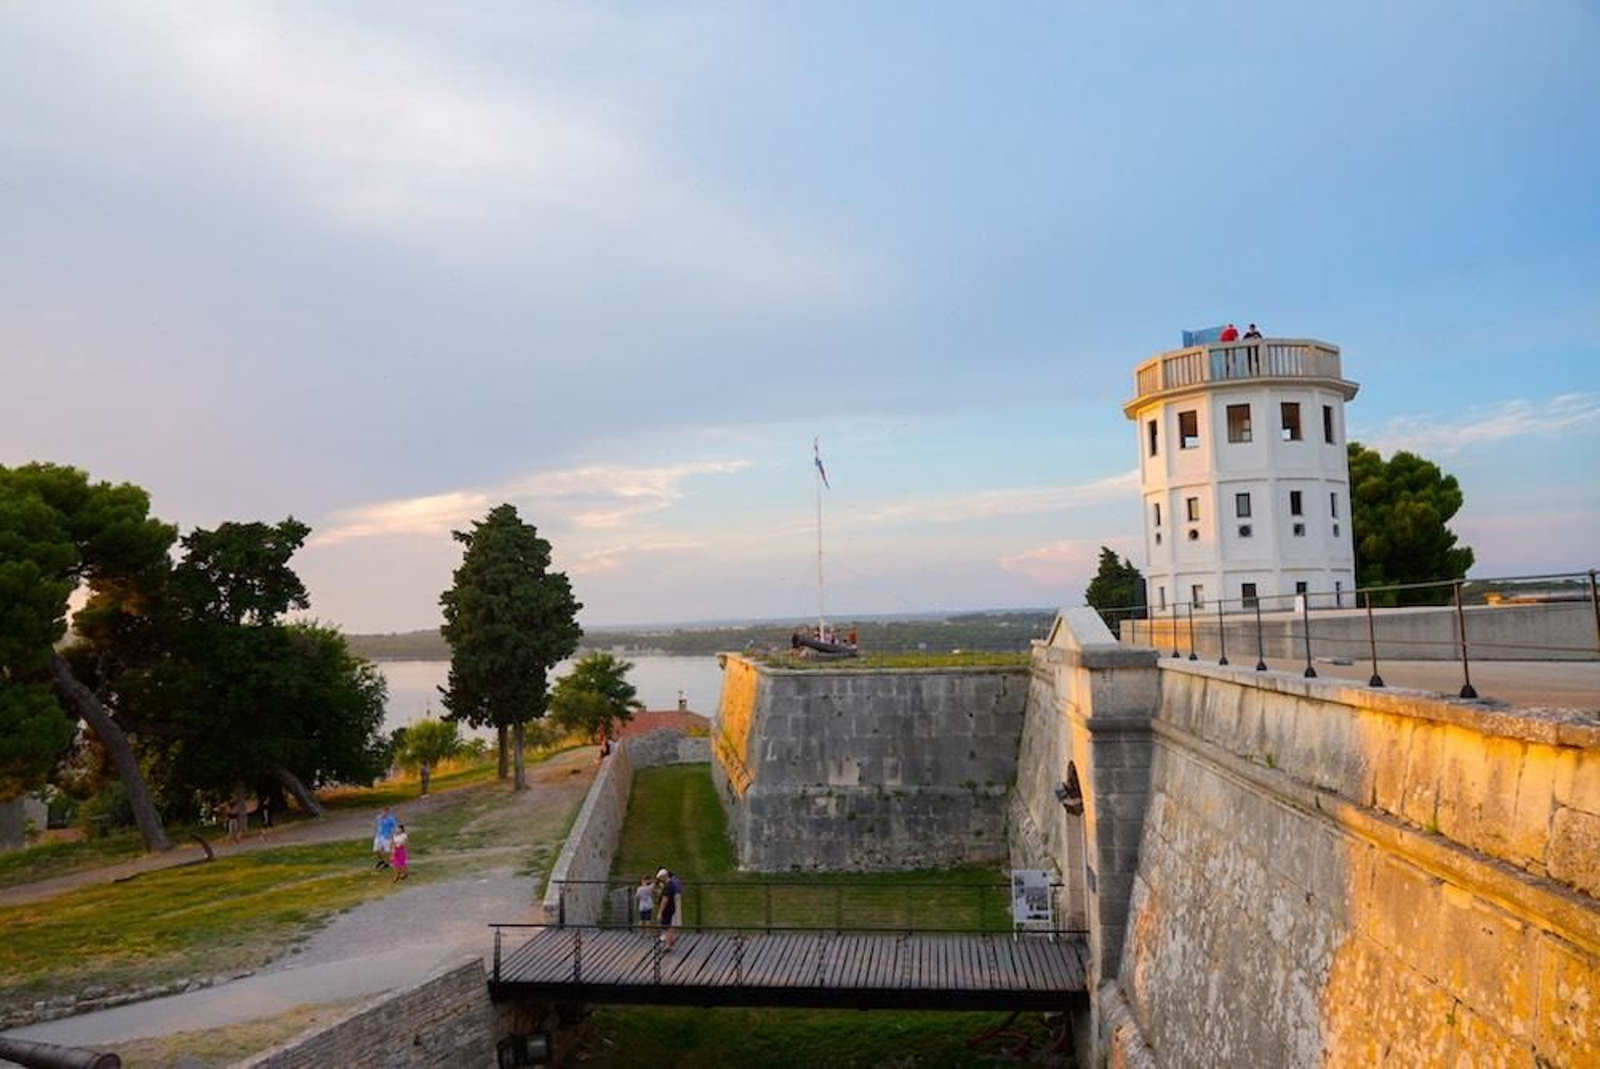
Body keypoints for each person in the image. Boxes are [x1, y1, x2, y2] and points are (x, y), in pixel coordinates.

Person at [655, 867, 682, 950]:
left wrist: (660, 912)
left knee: (666, 927)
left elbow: (664, 900)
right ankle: (670, 941)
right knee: (668, 926)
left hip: (667, 909)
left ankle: (668, 944)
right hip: (671, 908)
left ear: (664, 876)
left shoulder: (667, 887)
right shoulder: (672, 884)